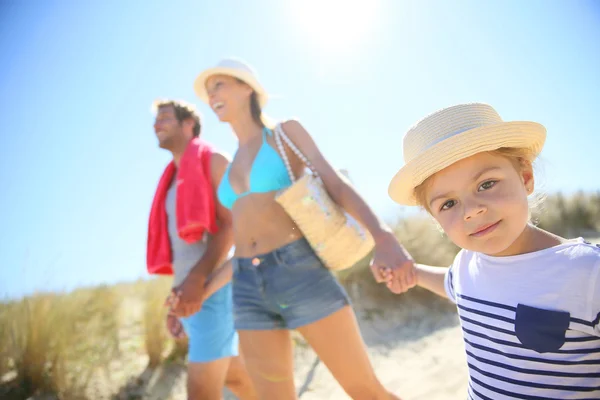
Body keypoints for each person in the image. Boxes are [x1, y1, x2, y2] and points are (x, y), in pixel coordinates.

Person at [193, 58, 415, 400]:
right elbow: (241, 244)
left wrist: (383, 237)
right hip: (247, 287)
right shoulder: (230, 161)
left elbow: (335, 184)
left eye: (218, 85)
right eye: (208, 92)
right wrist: (200, 295)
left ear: (247, 87)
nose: (212, 96)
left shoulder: (283, 134)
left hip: (298, 271)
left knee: (365, 390)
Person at [385, 103, 600, 399]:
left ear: (525, 177)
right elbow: (451, 285)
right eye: (448, 204)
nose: (472, 211)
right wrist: (413, 273)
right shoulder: (465, 265)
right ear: (436, 220)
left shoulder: (587, 272)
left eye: (486, 184)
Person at [147, 99, 257, 400]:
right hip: (192, 293)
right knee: (237, 379)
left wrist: (196, 283)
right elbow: (184, 250)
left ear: (189, 125)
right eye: (156, 119)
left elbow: (233, 226)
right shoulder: (169, 181)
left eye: (165, 117)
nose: (157, 124)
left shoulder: (213, 161)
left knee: (200, 392)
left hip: (213, 291)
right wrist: (177, 300)